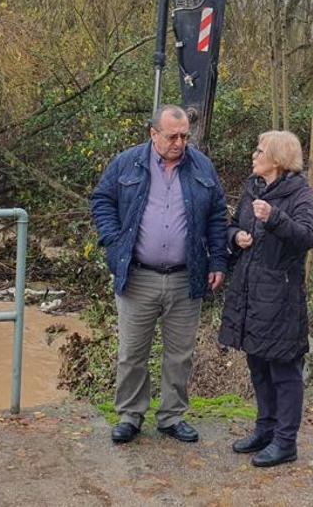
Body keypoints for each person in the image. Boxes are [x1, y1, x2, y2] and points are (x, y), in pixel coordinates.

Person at [90, 105, 228, 445]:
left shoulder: (202, 166)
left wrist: (218, 261)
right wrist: (112, 241)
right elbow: (102, 201)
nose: (180, 143)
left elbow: (217, 217)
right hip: (138, 275)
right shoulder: (126, 163)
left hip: (186, 275)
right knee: (132, 351)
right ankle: (130, 415)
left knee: (180, 353)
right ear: (154, 134)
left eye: (184, 136)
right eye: (172, 136)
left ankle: (171, 416)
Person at [219, 130, 313, 468]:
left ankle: (285, 442)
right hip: (250, 293)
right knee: (257, 364)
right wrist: (237, 237)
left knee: (284, 370)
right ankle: (265, 430)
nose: (253, 155)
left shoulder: (298, 193)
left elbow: (307, 237)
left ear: (277, 160)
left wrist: (274, 218)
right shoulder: (254, 188)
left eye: (259, 151)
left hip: (281, 298)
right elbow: (231, 226)